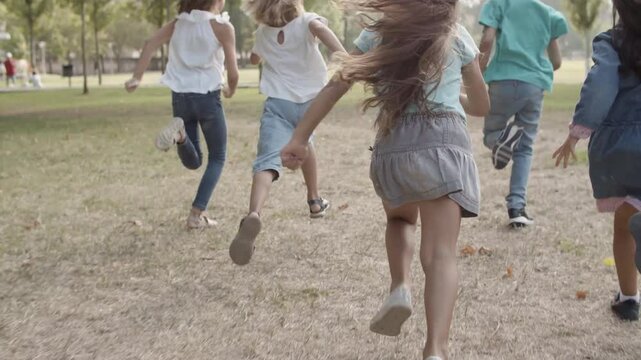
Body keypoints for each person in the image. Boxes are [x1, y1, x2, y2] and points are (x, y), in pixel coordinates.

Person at [280, 1, 489, 358]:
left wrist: (300, 137)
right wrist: (457, 93)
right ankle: (435, 349)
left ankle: (400, 287)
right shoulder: (455, 33)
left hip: (396, 143)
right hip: (444, 142)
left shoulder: (379, 30)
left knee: (399, 218)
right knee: (440, 254)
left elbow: (337, 84)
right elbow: (483, 105)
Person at [228, 0, 345, 266]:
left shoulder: (262, 34)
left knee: (266, 161)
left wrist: (261, 51)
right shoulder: (307, 22)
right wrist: (343, 55)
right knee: (304, 141)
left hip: (278, 103)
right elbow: (322, 32)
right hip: (309, 103)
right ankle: (314, 201)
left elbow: (254, 57)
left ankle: (254, 213)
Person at [553, 0, 641, 321]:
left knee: (626, 224)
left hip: (621, 148)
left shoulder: (611, 42)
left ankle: (629, 298)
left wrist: (577, 133)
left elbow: (600, 86)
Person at [125, 0, 239, 229]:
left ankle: (180, 136)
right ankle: (196, 215)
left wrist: (137, 77)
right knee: (217, 157)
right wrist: (230, 90)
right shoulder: (222, 27)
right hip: (208, 98)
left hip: (181, 98)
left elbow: (149, 43)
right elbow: (234, 73)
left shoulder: (178, 24)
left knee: (194, 161)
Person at [478, 0, 568, 228]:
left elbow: (487, 40)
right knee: (525, 147)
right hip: (533, 86)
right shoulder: (547, 13)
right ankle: (517, 208)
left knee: (491, 131)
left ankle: (500, 141)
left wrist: (479, 69)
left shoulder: (499, 4)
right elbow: (556, 61)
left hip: (502, 82)